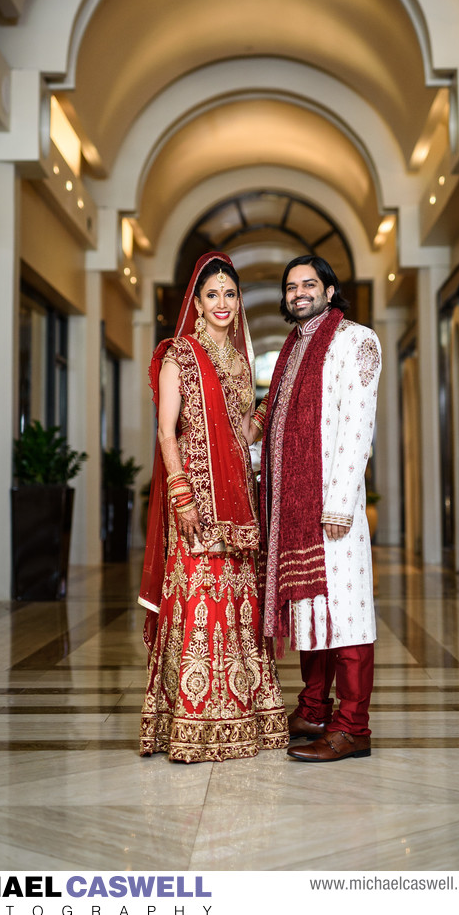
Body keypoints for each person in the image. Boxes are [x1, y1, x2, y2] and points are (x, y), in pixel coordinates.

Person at [139, 251, 289, 763]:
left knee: (238, 603)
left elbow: (241, 433)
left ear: (238, 300)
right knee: (202, 601)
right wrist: (180, 492)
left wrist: (269, 410)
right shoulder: (179, 355)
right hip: (198, 503)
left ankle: (242, 714)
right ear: (197, 304)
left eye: (230, 293)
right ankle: (194, 717)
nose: (222, 303)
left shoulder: (243, 364)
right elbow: (166, 432)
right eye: (212, 295)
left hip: (239, 503)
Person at [252, 255, 382, 762]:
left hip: (332, 506)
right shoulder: (292, 349)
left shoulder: (356, 340)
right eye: (290, 287)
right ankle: (313, 709)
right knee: (312, 611)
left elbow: (357, 426)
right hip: (294, 508)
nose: (298, 293)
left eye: (309, 284)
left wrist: (340, 504)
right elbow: (277, 426)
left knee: (346, 613)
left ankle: (353, 727)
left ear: (330, 291)